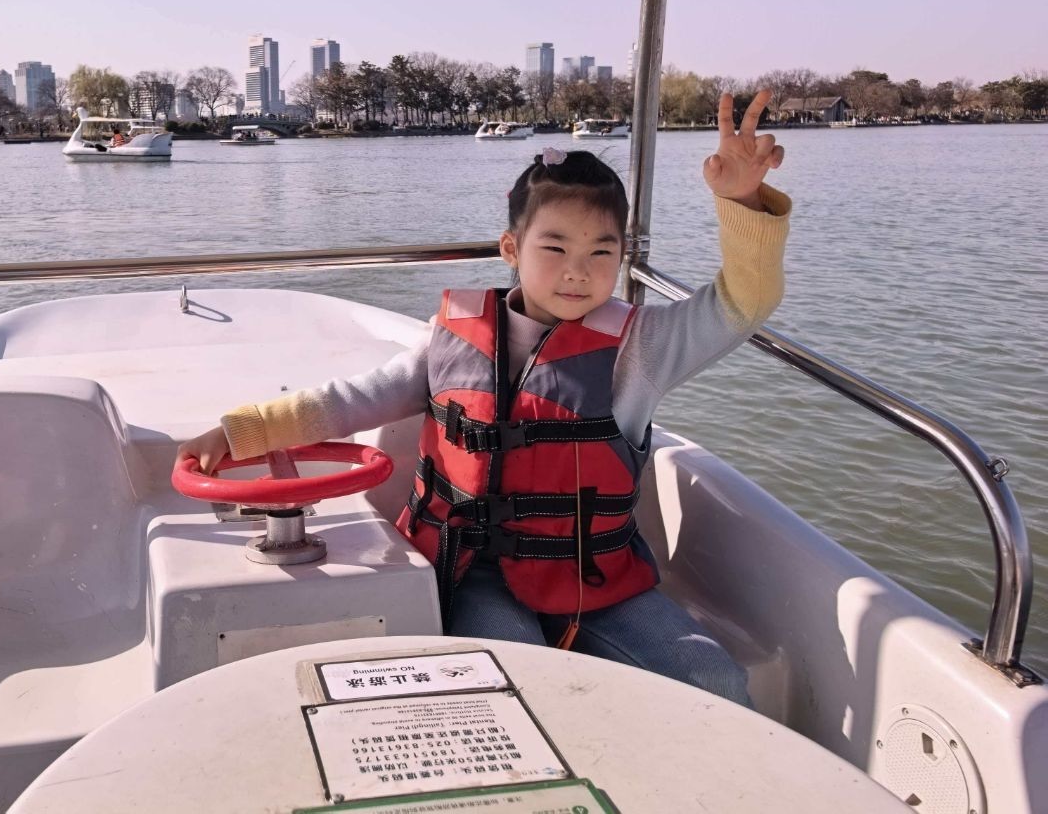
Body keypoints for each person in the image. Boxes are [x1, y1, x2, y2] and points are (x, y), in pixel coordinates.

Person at [179, 90, 789, 707]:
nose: (578, 271)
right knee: (514, 684)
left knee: (715, 680)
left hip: (598, 578)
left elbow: (745, 302)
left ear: (623, 256)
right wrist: (241, 432)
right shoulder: (450, 340)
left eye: (601, 252)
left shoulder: (646, 345)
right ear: (511, 249)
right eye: (555, 248)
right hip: (475, 573)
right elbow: (351, 401)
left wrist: (741, 202)